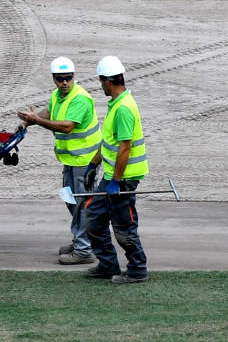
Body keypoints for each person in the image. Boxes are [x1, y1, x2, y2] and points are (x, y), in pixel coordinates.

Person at [17, 56, 102, 265]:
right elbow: (50, 111)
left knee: (82, 204)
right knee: (69, 197)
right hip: (71, 159)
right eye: (60, 79)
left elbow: (67, 126)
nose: (64, 82)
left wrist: (38, 120)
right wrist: (31, 121)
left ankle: (83, 250)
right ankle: (83, 239)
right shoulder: (58, 95)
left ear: (74, 77)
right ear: (54, 79)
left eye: (68, 78)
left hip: (85, 161)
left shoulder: (80, 98)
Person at [82, 56, 148, 285]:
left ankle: (137, 270)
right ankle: (108, 265)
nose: (101, 85)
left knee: (123, 226)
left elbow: (124, 149)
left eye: (101, 81)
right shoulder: (116, 105)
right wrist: (94, 164)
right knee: (93, 219)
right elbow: (109, 143)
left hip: (124, 179)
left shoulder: (124, 109)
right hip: (111, 176)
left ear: (107, 82)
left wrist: (116, 182)